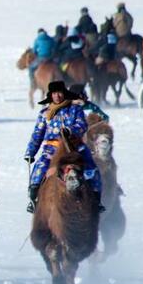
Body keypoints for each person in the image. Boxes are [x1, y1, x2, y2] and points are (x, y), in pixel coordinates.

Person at [23, 80, 101, 213]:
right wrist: (30, 152)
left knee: (91, 168)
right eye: (54, 93)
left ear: (64, 93)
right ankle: (34, 199)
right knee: (39, 168)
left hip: (74, 146)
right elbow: (37, 135)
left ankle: (96, 199)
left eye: (59, 93)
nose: (57, 96)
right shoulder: (44, 114)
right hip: (51, 149)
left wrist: (71, 130)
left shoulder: (75, 109)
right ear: (50, 95)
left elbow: (82, 125)